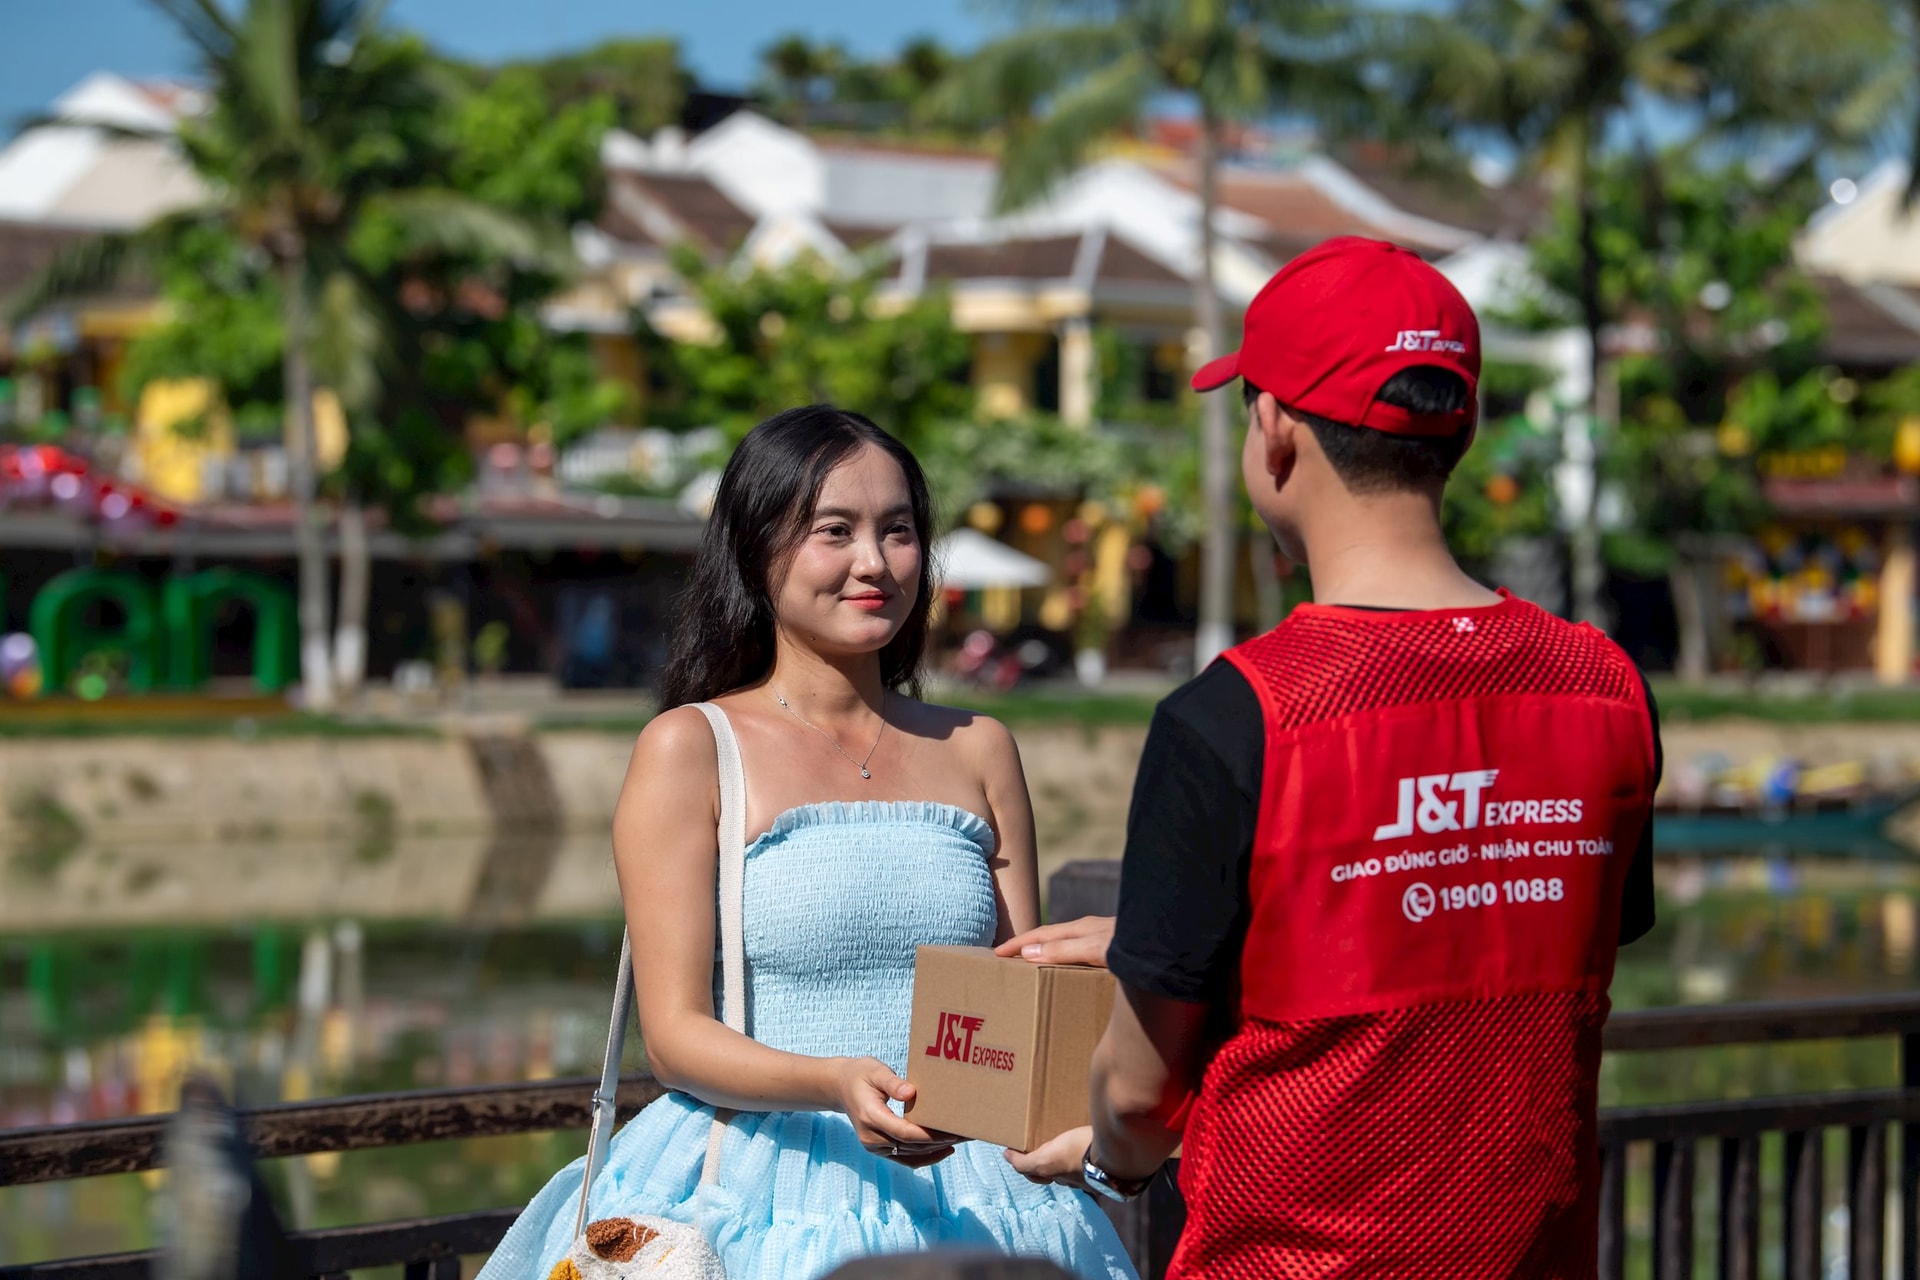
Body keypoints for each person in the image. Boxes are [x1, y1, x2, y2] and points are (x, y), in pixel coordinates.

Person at [1002, 237, 1661, 1278]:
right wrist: (1167, 938)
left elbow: (1134, 1097)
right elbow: (1498, 928)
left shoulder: (1235, 714)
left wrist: (1113, 1164)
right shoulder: (1606, 686)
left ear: (1274, 434)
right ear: (1464, 426)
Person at [480, 406, 1135, 1280]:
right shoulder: (691, 748)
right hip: (757, 1189)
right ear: (758, 552)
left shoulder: (979, 746)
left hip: (978, 1187)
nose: (874, 562)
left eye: (898, 532)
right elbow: (673, 1037)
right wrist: (833, 1081)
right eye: (835, 531)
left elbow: (1024, 1004)